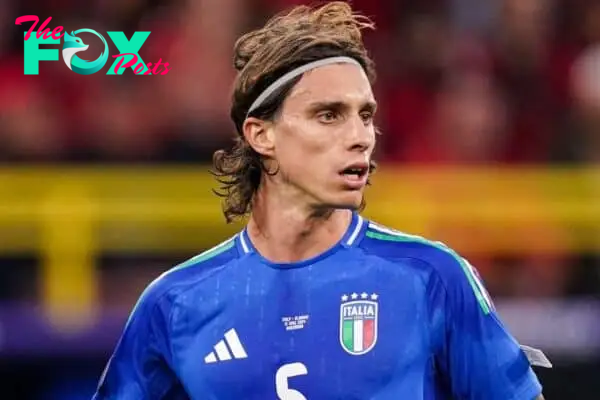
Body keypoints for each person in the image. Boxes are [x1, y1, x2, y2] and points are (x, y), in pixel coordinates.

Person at [92, 2, 549, 399]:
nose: (359, 137)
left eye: (365, 116)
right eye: (328, 115)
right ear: (261, 134)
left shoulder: (431, 277)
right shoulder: (175, 304)